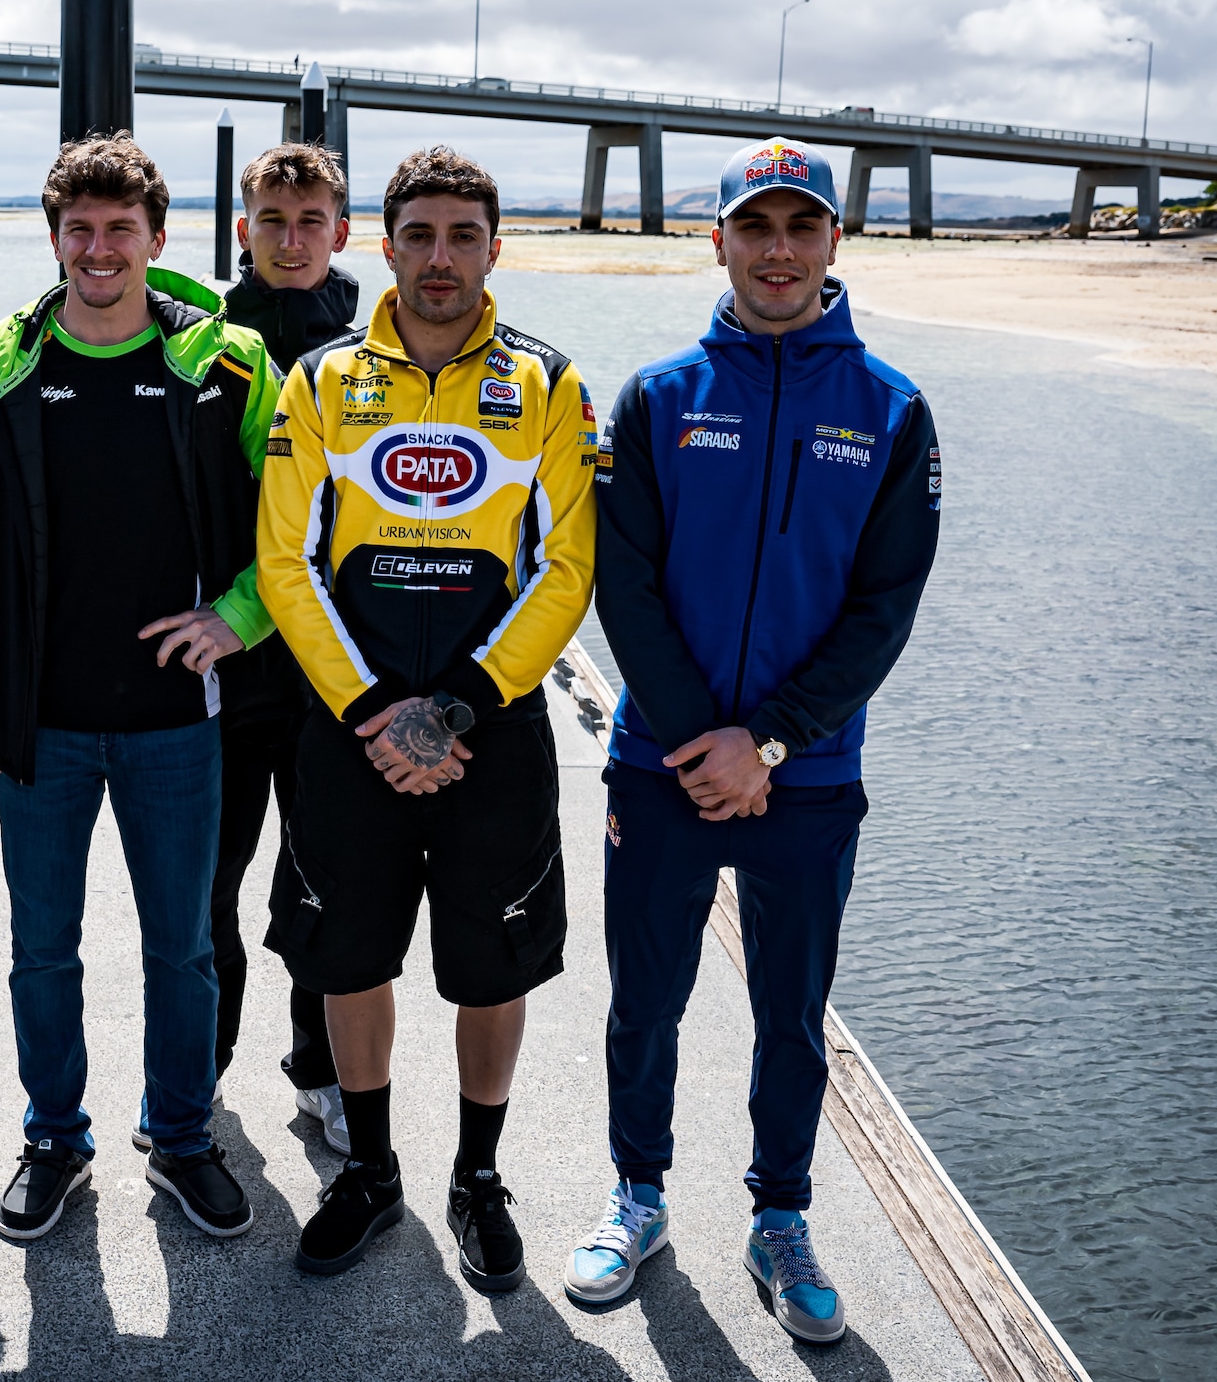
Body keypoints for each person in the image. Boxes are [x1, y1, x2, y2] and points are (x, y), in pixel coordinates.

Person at [565, 136, 941, 1344]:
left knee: (792, 1014)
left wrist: (767, 744)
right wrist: (702, 745)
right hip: (662, 768)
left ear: (833, 240)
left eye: (800, 226)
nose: (777, 251)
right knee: (646, 1002)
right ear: (717, 240)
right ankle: (637, 1196)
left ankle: (780, 1217)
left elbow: (884, 608)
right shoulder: (657, 397)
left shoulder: (891, 410)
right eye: (755, 227)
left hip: (809, 778)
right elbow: (623, 586)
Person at [0, 132, 279, 1244]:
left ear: (158, 239)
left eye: (123, 228)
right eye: (80, 228)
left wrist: (238, 616)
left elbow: (293, 524)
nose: (100, 248)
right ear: (55, 239)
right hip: (42, 720)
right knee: (42, 949)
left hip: (178, 721)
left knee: (183, 945)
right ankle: (54, 1138)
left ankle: (180, 1136)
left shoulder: (230, 366)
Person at [257, 146, 597, 1292]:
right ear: (385, 244)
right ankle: (370, 1170)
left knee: (491, 968)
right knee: (349, 956)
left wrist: (453, 709)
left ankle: (477, 1175)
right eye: (419, 235)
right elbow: (284, 563)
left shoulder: (547, 385)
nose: (439, 258)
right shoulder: (321, 382)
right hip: (350, 730)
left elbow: (567, 570)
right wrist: (373, 711)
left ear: (495, 249)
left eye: (462, 237)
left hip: (490, 735)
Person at [213, 141, 360, 1155]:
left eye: (312, 222)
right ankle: (197, 1073)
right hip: (223, 672)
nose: (293, 238)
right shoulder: (200, 345)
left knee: (324, 890)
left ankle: (321, 1074)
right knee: (205, 893)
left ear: (341, 233)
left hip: (330, 681)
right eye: (273, 219)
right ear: (244, 230)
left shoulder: (374, 350)